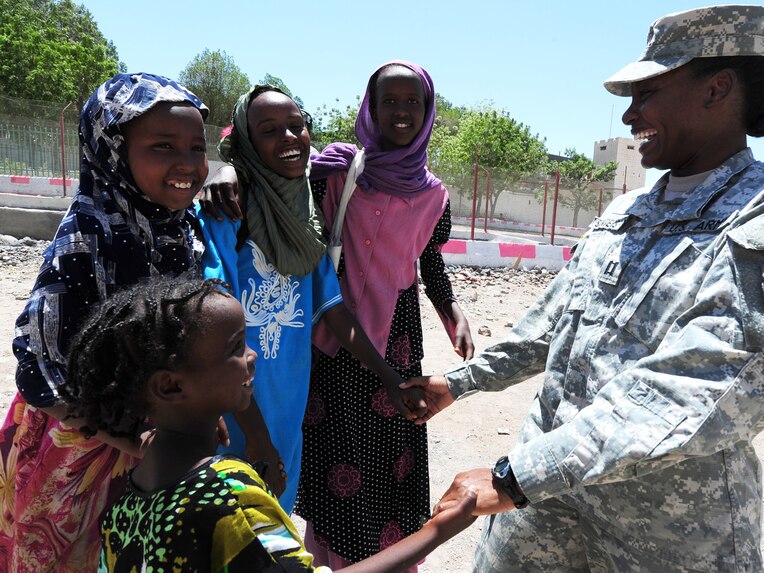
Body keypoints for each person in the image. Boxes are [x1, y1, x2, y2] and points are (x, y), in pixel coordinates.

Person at [404, 6, 764, 572]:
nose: (629, 114)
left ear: (718, 88)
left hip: (669, 526)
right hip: (544, 497)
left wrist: (516, 476)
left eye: (648, 91)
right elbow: (553, 325)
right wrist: (460, 382)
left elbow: (715, 380)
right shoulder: (628, 210)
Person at [203, 61, 474, 570]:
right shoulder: (332, 172)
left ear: (429, 109)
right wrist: (228, 166)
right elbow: (265, 159)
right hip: (322, 347)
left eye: (412, 101)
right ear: (368, 108)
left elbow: (428, 255)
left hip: (388, 338)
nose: (400, 111)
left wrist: (449, 310)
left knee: (388, 461)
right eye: (387, 101)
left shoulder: (432, 194)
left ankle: (385, 558)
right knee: (329, 465)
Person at [59, 276, 478, 573]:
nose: (253, 356)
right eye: (236, 348)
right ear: (169, 385)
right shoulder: (229, 494)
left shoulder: (129, 498)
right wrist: (436, 531)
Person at [0, 72, 212, 573]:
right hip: (75, 444)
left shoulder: (181, 230)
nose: (187, 163)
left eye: (197, 148)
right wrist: (125, 436)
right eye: (162, 146)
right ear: (112, 151)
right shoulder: (88, 238)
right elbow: (39, 365)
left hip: (151, 437)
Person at [198, 85, 428, 515]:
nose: (288, 137)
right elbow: (214, 331)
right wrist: (259, 438)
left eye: (296, 126)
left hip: (287, 404)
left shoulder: (305, 219)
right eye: (269, 130)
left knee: (274, 530)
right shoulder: (226, 213)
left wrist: (390, 378)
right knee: (226, 530)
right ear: (247, 142)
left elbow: (334, 310)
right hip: (235, 410)